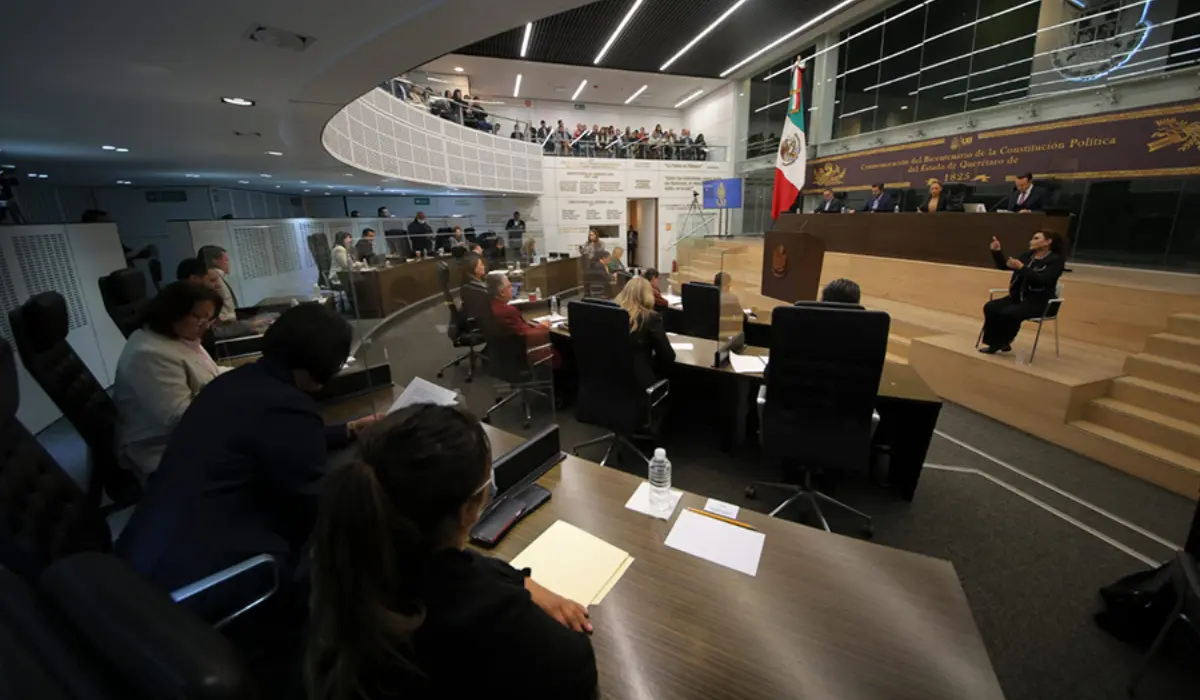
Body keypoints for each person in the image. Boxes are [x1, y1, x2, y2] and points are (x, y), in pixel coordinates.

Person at [305, 405, 597, 700]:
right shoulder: (496, 626)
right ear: (468, 510)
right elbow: (576, 664)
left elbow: (462, 570)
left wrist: (518, 581)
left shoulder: (346, 565)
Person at [115, 303, 377, 620]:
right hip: (202, 587)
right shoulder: (289, 406)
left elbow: (262, 437)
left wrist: (344, 431)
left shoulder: (232, 384)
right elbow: (311, 507)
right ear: (321, 366)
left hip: (145, 562)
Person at [112, 281, 227, 477]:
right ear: (172, 311)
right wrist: (235, 400)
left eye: (208, 318)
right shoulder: (149, 353)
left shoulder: (178, 336)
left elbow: (210, 372)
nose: (204, 325)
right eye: (197, 317)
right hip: (162, 446)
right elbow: (177, 418)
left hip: (192, 432)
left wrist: (248, 375)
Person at [979, 231, 1065, 354]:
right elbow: (1004, 265)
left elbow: (1042, 280)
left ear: (1048, 242)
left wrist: (1022, 268)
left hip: (1040, 301)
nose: (1031, 241)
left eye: (1036, 238)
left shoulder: (1055, 261)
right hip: (1019, 297)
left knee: (1010, 313)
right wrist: (996, 252)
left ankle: (999, 342)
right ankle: (998, 342)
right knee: (991, 307)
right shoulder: (1027, 256)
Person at [614, 277, 675, 391]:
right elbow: (668, 356)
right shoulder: (650, 318)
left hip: (613, 380)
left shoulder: (614, 315)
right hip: (641, 385)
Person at [488, 271, 558, 368]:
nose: (512, 289)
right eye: (509, 286)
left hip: (503, 356)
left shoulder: (489, 306)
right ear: (502, 292)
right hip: (522, 355)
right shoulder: (507, 311)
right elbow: (526, 335)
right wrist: (543, 327)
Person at [198, 244, 238, 322]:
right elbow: (226, 311)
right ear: (215, 261)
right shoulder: (214, 277)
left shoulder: (218, 277)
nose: (228, 263)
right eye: (226, 260)